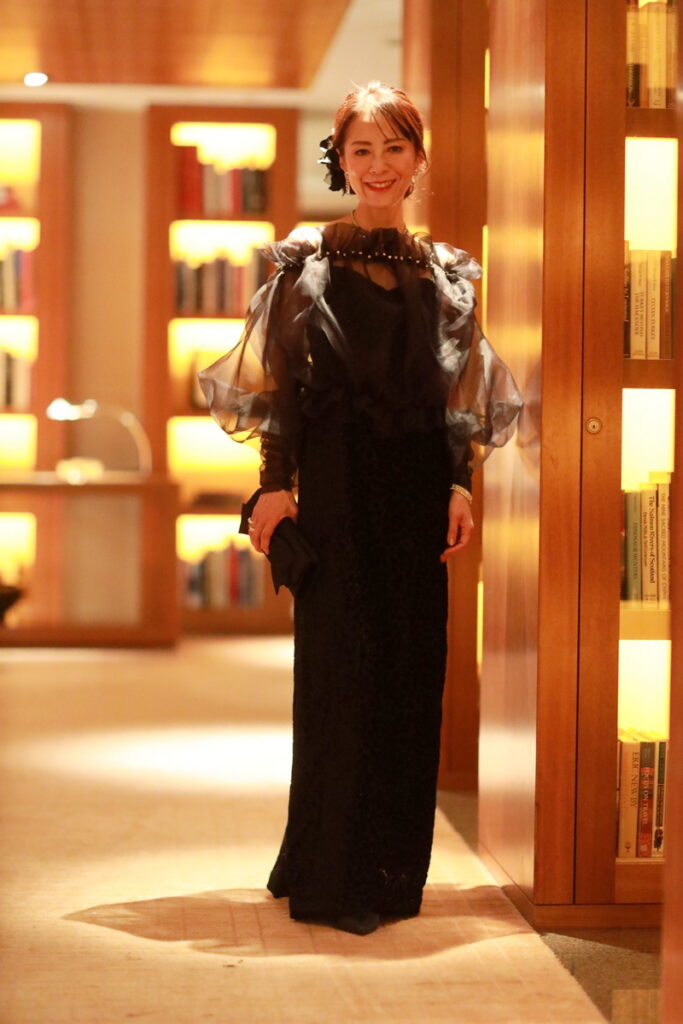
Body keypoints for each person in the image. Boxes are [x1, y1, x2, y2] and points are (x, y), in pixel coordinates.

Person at [198, 81, 523, 937]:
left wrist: (460, 484)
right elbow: (282, 389)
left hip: (417, 489)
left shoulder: (448, 271)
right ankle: (325, 872)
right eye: (360, 150)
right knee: (340, 672)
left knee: (411, 673)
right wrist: (275, 483)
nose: (377, 165)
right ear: (339, 161)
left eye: (393, 148)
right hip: (336, 485)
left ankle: (388, 872)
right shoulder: (304, 261)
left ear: (417, 159)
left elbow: (456, 397)